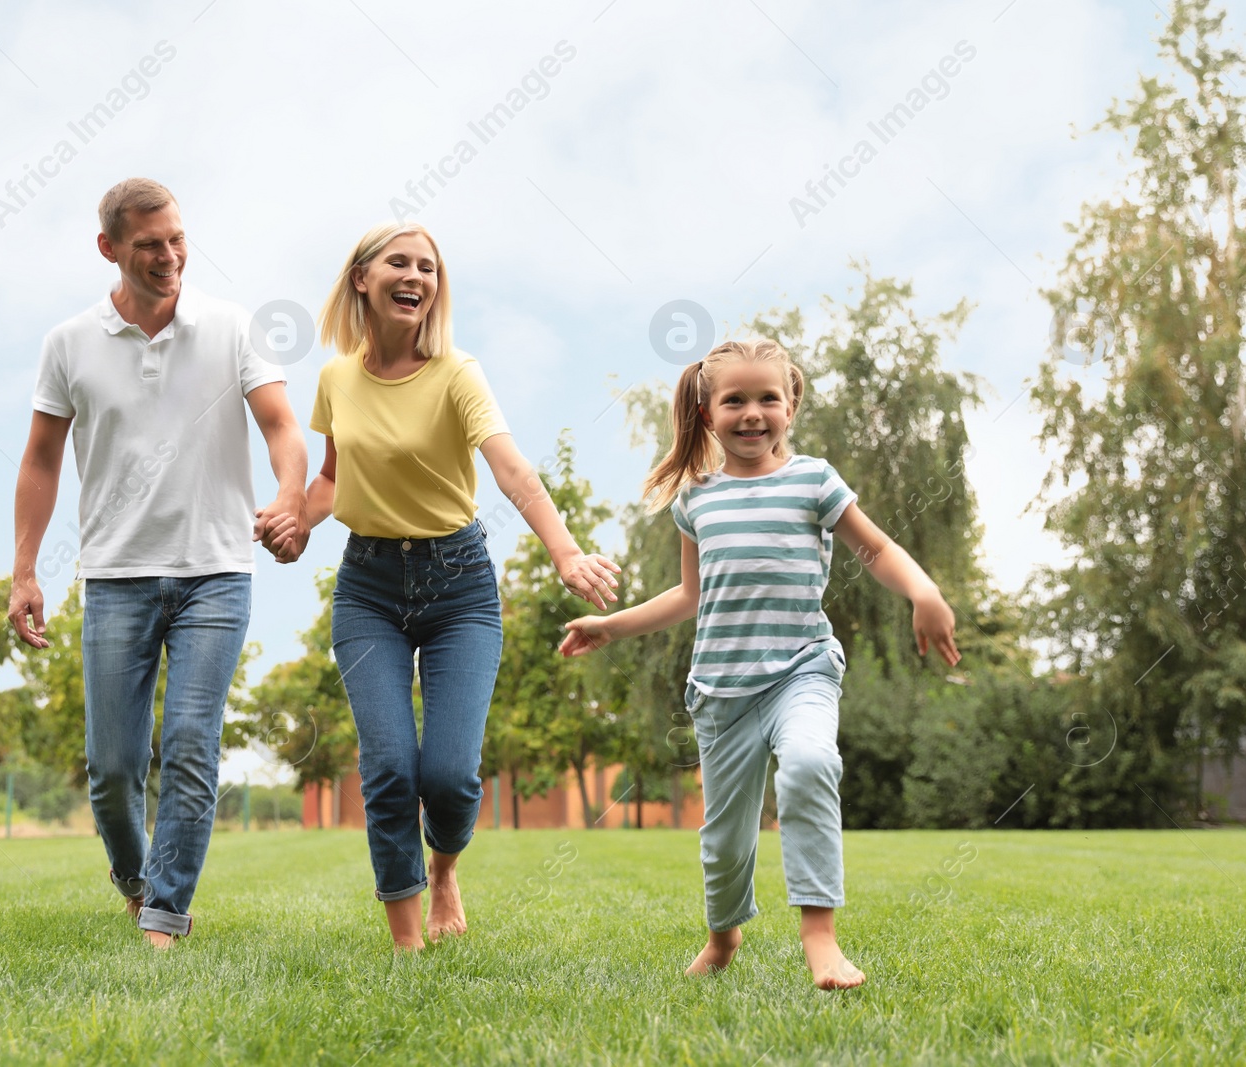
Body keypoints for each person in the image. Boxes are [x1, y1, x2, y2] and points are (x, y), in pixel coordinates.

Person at [257, 222, 620, 951]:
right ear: (362, 277)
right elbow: (334, 476)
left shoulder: (458, 372)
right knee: (389, 765)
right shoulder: (336, 379)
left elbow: (511, 469)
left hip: (460, 586)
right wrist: (298, 518)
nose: (416, 276)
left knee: (451, 775)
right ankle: (406, 941)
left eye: (428, 266)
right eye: (400, 262)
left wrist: (566, 551)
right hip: (369, 586)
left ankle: (445, 868)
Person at [559, 338, 961, 988]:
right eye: (735, 400)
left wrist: (924, 590)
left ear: (791, 403)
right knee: (724, 838)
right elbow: (689, 596)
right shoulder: (696, 498)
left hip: (802, 669)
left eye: (767, 398)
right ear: (707, 410)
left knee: (809, 764)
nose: (753, 413)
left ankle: (820, 936)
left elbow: (876, 547)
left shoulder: (813, 480)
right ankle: (723, 937)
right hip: (721, 690)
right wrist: (612, 623)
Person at [8, 178, 308, 949]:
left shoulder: (231, 327)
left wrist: (288, 496)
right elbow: (41, 459)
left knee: (189, 745)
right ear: (109, 247)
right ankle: (138, 881)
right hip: (114, 575)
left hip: (215, 569)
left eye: (177, 239)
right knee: (111, 768)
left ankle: (166, 916)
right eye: (150, 244)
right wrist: (24, 570)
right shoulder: (69, 343)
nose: (170, 255)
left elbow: (281, 423)